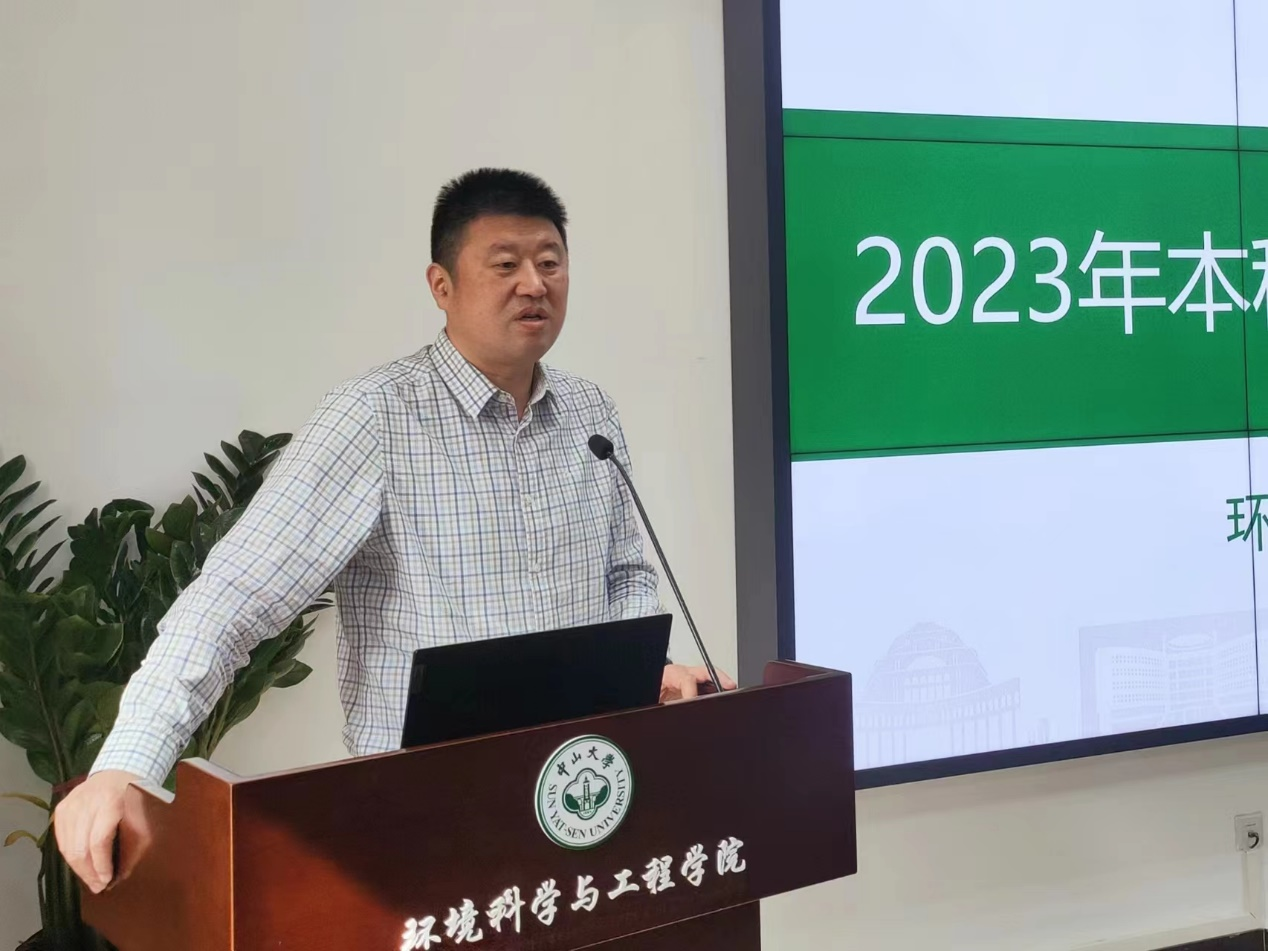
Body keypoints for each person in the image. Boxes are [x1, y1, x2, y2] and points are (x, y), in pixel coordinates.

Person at [53, 167, 734, 894]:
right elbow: (234, 594)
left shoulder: (590, 413)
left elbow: (625, 572)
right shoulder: (376, 416)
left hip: (582, 798)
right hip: (428, 814)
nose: (534, 284)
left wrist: (646, 669)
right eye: (505, 264)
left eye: (550, 261)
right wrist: (126, 763)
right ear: (442, 286)